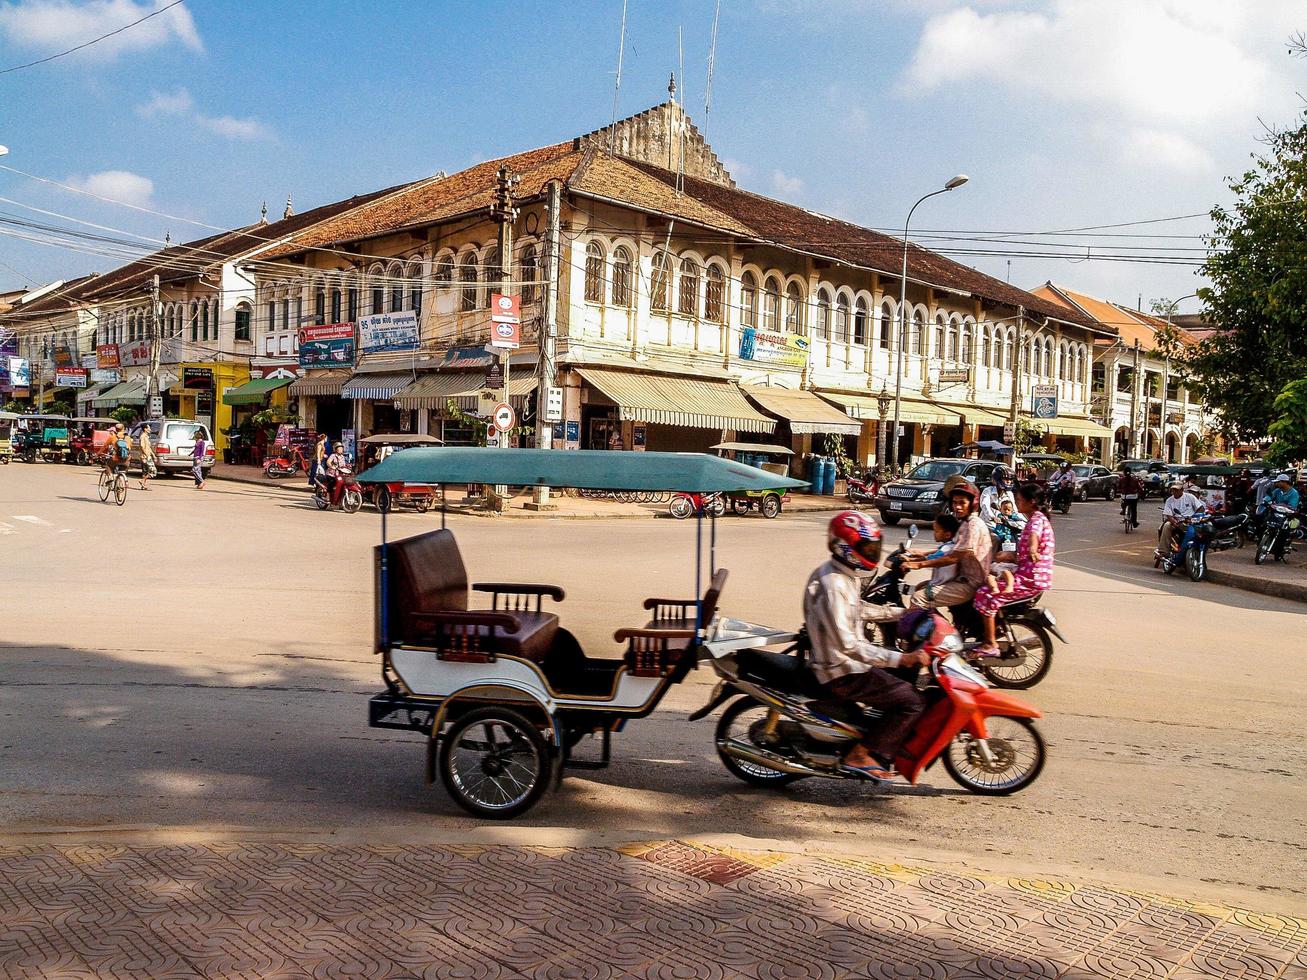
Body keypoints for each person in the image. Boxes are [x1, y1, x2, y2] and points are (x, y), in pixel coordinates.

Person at [803, 511, 929, 781]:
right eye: (866, 548)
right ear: (844, 548)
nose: (873, 552)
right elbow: (849, 645)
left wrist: (899, 614)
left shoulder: (841, 573)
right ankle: (859, 755)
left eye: (875, 546)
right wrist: (901, 658)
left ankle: (878, 740)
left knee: (903, 683)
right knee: (912, 701)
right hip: (842, 672)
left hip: (846, 662)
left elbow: (857, 609)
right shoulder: (833, 584)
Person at [973, 483, 1056, 656]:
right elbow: (1023, 552)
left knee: (985, 594)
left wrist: (1032, 549)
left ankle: (990, 644)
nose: (1017, 503)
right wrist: (1009, 555)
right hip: (1027, 573)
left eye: (1019, 499)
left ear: (1031, 501)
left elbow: (1034, 537)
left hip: (1029, 579)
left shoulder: (1036, 520)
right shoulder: (1035, 519)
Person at [899, 480, 992, 610]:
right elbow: (949, 549)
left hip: (969, 583)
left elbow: (954, 557)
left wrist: (919, 564)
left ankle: (939, 630)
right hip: (961, 577)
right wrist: (921, 554)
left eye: (962, 503)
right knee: (921, 587)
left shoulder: (973, 525)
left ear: (972, 504)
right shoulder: (965, 523)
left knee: (918, 598)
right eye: (955, 502)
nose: (957, 507)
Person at [1156, 480, 1205, 559]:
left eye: (1177, 490)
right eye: (1173, 490)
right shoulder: (1169, 500)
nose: (1174, 491)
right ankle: (1163, 551)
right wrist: (1173, 521)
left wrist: (1193, 517)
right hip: (1176, 521)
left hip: (1190, 522)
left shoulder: (1190, 497)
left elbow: (1201, 508)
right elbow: (1168, 514)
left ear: (1182, 490)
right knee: (1166, 525)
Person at [136, 424, 156, 491]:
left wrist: (153, 455)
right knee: (153, 471)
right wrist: (146, 455)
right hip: (145, 457)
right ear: (145, 429)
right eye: (149, 428)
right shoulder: (143, 436)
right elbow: (142, 447)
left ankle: (143, 485)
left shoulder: (146, 437)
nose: (150, 429)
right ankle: (142, 481)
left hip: (148, 456)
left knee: (145, 471)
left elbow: (148, 448)